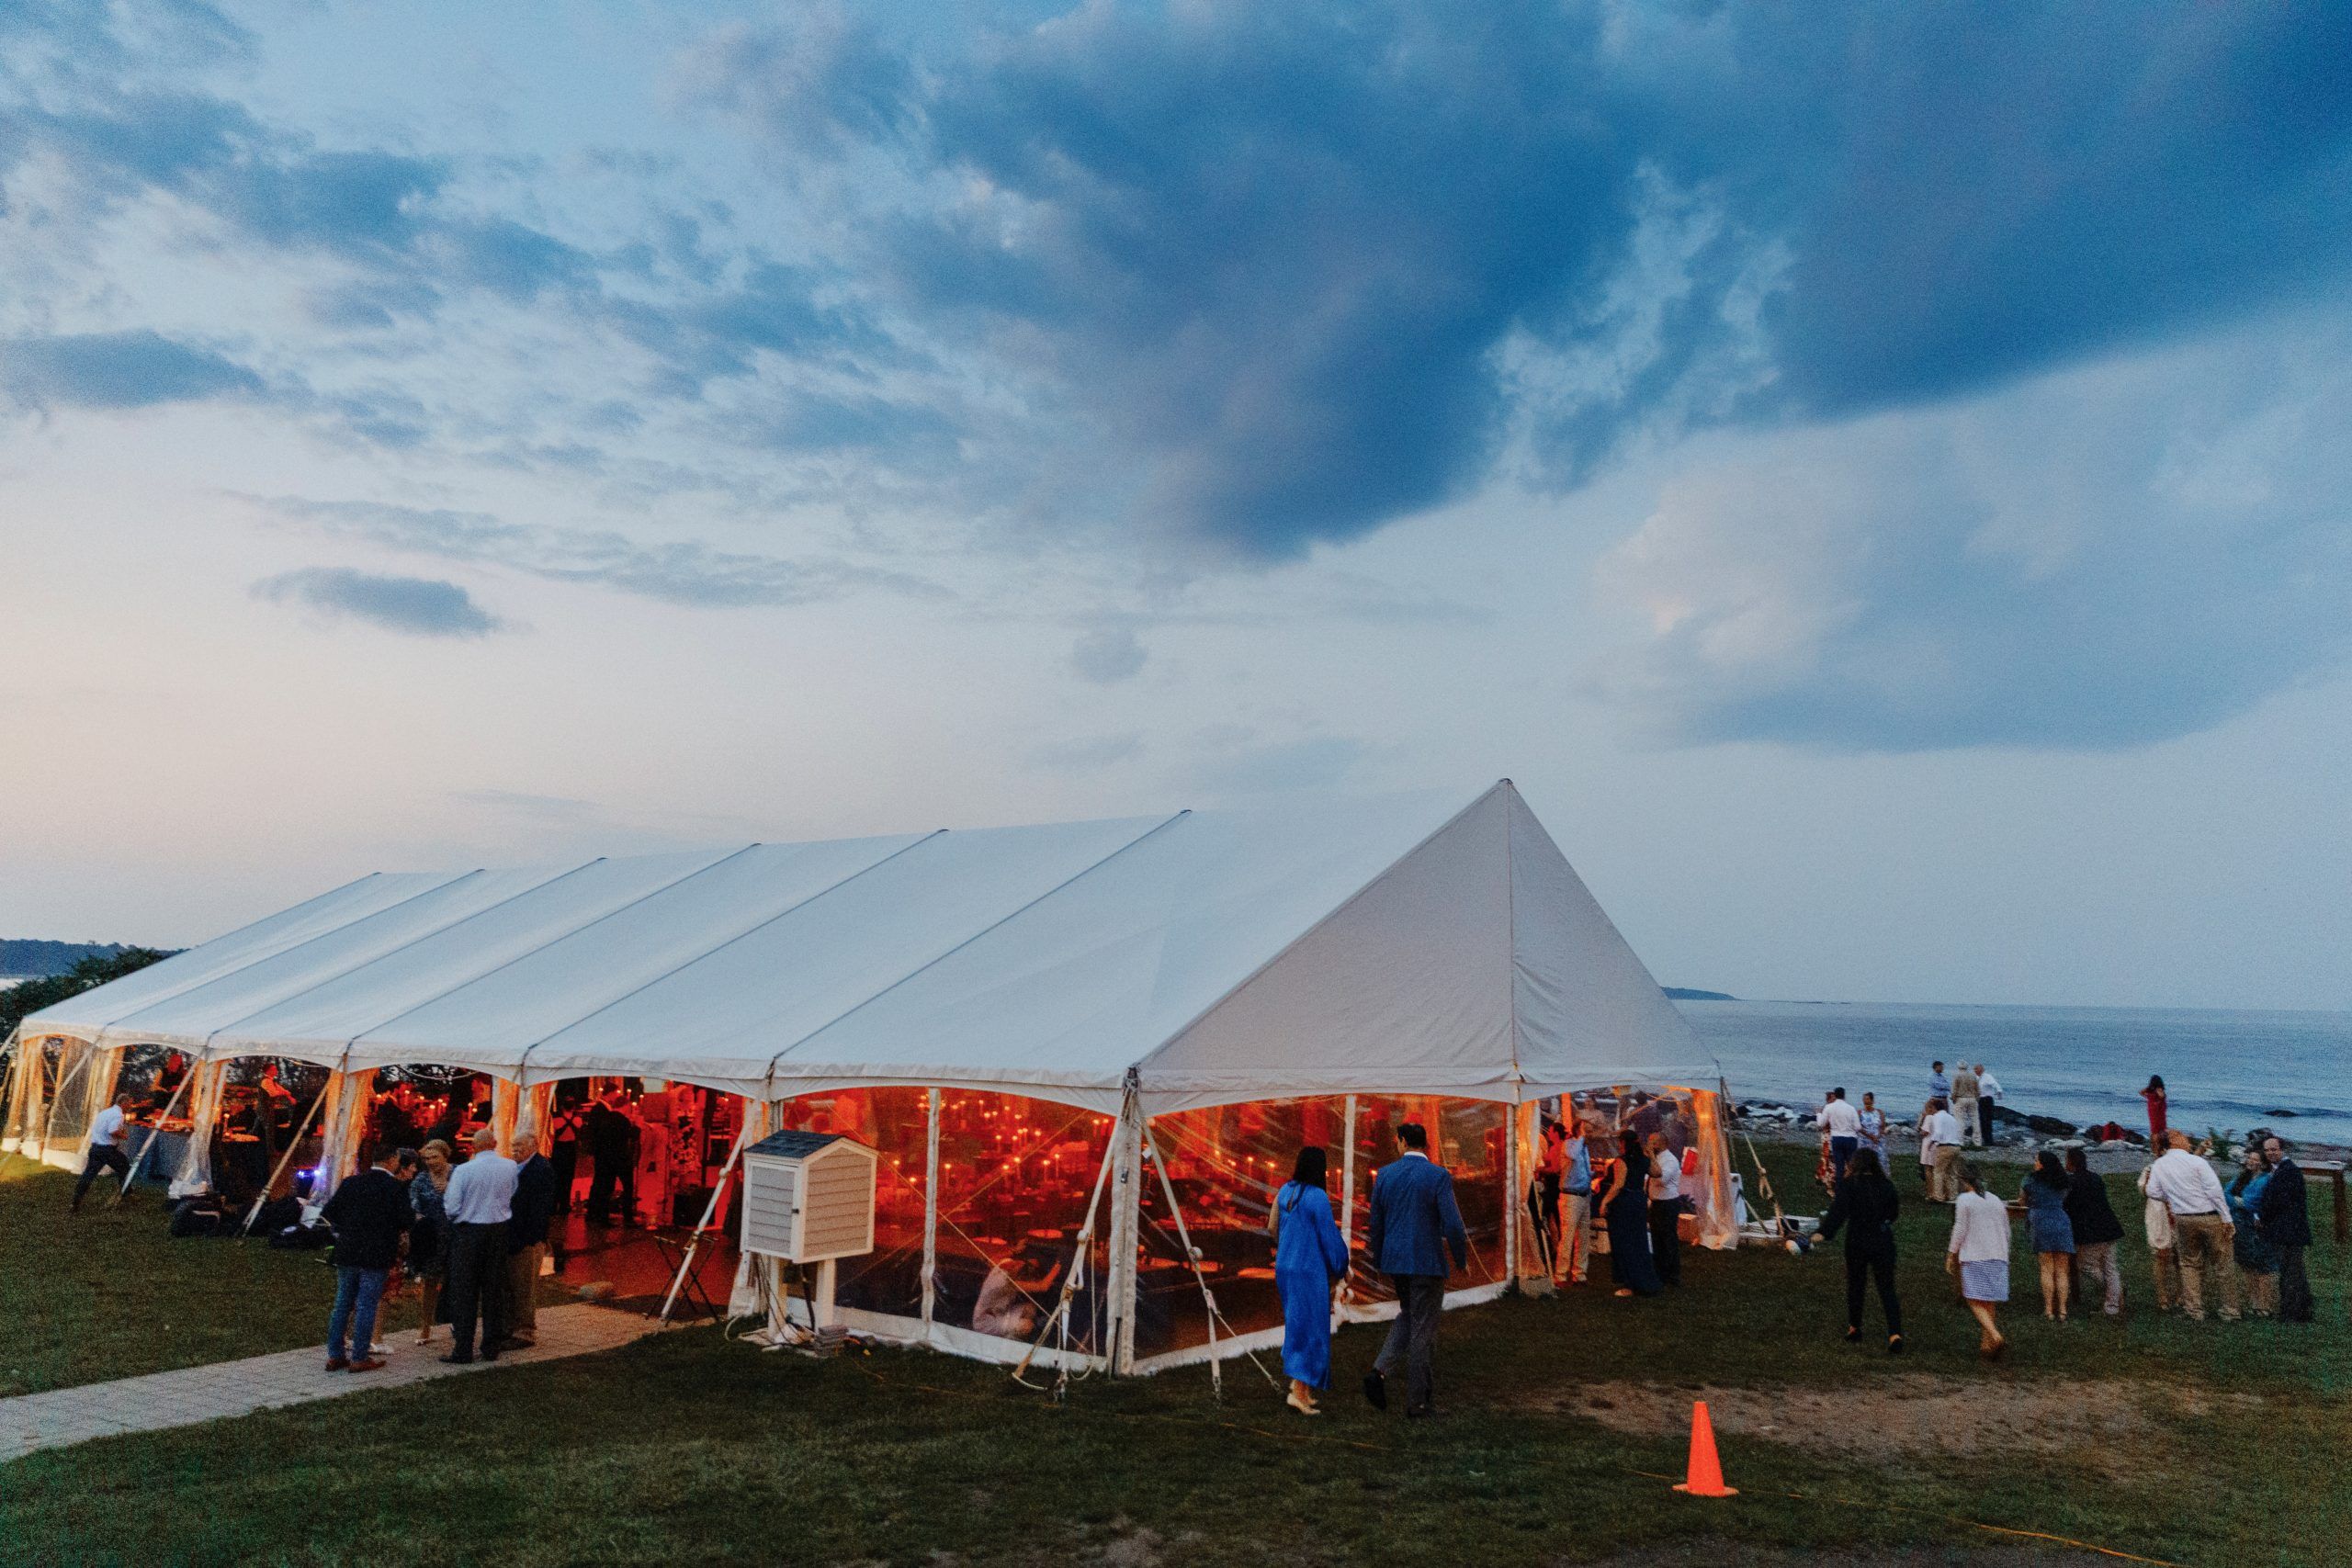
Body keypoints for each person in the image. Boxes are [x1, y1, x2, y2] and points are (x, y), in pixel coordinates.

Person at [1361, 1122, 1467, 1418]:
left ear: (1403, 1142)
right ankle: (1418, 1401)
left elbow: (1376, 1224)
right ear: (1425, 1144)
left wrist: (1379, 1260)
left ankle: (1379, 1371)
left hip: (1397, 1263)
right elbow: (1454, 1226)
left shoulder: (1385, 1175)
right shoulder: (1437, 1176)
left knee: (1409, 1315)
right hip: (1426, 1263)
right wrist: (1461, 1259)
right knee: (1423, 1329)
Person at [322, 1146, 417, 1371]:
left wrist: (350, 1225)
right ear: (392, 1160)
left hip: (348, 1249)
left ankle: (335, 1354)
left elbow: (330, 1212)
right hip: (377, 1252)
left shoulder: (350, 1183)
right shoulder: (395, 1188)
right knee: (367, 1303)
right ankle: (359, 1356)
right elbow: (406, 1219)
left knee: (342, 1302)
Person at [1271, 1146, 1349, 1416]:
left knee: (1297, 1325)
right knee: (1312, 1330)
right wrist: (1341, 1266)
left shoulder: (1284, 1192)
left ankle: (1301, 1386)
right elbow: (1329, 1238)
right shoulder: (1317, 1197)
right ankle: (1299, 1392)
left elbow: (1273, 1228)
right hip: (1308, 1269)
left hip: (1286, 1267)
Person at [438, 1128, 519, 1363]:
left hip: (469, 1233)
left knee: (466, 1292)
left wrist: (460, 1216)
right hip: (498, 1231)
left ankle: (463, 1348)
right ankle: (491, 1346)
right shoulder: (510, 1166)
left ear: (473, 1147)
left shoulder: (463, 1171)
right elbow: (512, 1192)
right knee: (493, 1291)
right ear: (494, 1143)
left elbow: (452, 1206)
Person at [2143, 1130, 2239, 1322]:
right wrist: (2227, 1217)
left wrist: (2173, 1198)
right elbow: (2214, 1191)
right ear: (2174, 1141)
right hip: (2209, 1216)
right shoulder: (2197, 1162)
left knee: (2189, 1264)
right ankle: (2230, 1310)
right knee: (2222, 1264)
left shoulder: (2159, 1165)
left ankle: (2194, 1309)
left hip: (2183, 1218)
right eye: (2184, 1138)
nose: (2188, 1141)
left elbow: (2152, 1191)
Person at [1816, 1146, 1903, 1352]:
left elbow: (1838, 1213)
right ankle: (1895, 1333)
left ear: (1855, 1164)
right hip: (1882, 1239)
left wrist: (1823, 1233)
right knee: (1887, 1288)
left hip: (1857, 1240)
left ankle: (1855, 1327)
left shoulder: (1849, 1185)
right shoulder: (1887, 1185)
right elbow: (1894, 1213)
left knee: (1856, 1284)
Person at [1946, 1161, 2011, 1359]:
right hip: (1998, 1255)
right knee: (1989, 1300)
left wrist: (1951, 1253)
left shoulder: (1965, 1200)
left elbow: (1960, 1229)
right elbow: (2006, 1229)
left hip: (1975, 1255)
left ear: (1964, 1181)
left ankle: (1994, 1335)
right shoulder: (1996, 1200)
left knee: (1972, 1297)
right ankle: (1986, 1345)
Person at [505, 1128, 556, 1349]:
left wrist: (531, 1238)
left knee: (525, 1286)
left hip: (527, 1238)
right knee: (515, 1284)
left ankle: (525, 1331)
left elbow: (540, 1209)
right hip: (517, 1236)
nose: (515, 1150)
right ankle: (513, 1326)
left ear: (533, 1147)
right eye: (513, 1146)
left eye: (519, 1147)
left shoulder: (540, 1169)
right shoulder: (520, 1167)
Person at [2062, 1147, 2126, 1316]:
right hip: (2109, 1226)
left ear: (2071, 1162)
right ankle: (2112, 1306)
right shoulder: (2096, 1178)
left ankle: (2114, 1293)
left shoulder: (2071, 1182)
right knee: (2110, 1266)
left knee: (2086, 1266)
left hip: (2090, 1231)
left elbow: (2068, 1205)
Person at [1600, 1130, 1663, 1299]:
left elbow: (1618, 1185)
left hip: (1625, 1202)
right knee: (1639, 1240)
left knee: (1625, 1242)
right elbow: (1657, 1172)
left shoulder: (1622, 1161)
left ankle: (1630, 1283)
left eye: (1620, 1142)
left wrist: (1604, 1201)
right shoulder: (1643, 1159)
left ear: (1624, 1143)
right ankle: (1644, 1280)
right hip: (1638, 1201)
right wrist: (1651, 1156)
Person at [2256, 1135, 2313, 1324]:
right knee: (2294, 1271)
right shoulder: (2278, 1170)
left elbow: (2279, 1202)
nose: (2271, 1153)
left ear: (2282, 1149)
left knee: (2290, 1274)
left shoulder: (2289, 1171)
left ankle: (2291, 1314)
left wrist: (2262, 1216)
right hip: (2287, 1229)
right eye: (2267, 1150)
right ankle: (2303, 1311)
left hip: (2291, 1230)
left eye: (2274, 1149)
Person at [2020, 1150, 2075, 1321]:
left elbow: (2022, 1200)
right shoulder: (2063, 1180)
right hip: (2061, 1220)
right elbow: (2065, 1198)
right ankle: (2063, 1310)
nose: (2034, 1163)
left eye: (2036, 1160)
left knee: (2046, 1268)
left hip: (2040, 1220)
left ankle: (2049, 1309)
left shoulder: (2030, 1180)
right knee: (2062, 1270)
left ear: (2042, 1164)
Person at [2225, 1147, 2279, 1318]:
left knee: (2261, 1265)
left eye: (2256, 1159)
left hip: (2254, 1226)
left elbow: (2252, 1202)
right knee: (2246, 1265)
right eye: (2250, 1158)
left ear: (2263, 1164)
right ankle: (2254, 1301)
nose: (2251, 1161)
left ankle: (2264, 1304)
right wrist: (2237, 1201)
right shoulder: (2242, 1178)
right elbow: (2224, 1193)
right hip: (2239, 1226)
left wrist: (2236, 1201)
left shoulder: (2265, 1180)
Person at [71, 1092, 137, 1212]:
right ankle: (126, 1195)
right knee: (125, 1167)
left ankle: (76, 1200)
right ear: (123, 1103)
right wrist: (123, 1136)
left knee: (88, 1174)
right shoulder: (118, 1115)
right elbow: (113, 1131)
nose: (130, 1107)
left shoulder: (104, 1112)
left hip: (96, 1148)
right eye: (129, 1104)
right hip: (107, 1150)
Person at [584, 1087, 634, 1226]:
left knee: (603, 1186)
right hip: (620, 1159)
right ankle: (627, 1217)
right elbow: (628, 1137)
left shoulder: (606, 1118)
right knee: (626, 1187)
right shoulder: (622, 1121)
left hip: (605, 1158)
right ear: (625, 1107)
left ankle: (599, 1215)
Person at [2136, 1161, 2181, 1314]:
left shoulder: (2180, 1166)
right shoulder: (2150, 1168)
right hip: (2159, 1214)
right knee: (2161, 1256)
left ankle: (2181, 1294)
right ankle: (2162, 1296)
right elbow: (2143, 1190)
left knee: (2180, 1257)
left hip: (2179, 1211)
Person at [1558, 1114, 1596, 1285]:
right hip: (1571, 1196)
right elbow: (1572, 1156)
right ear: (1578, 1130)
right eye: (1585, 1130)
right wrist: (1580, 1135)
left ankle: (1579, 1273)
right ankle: (1560, 1274)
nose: (1588, 1133)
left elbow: (1583, 1170)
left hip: (1584, 1195)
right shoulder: (1569, 1144)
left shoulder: (1585, 1148)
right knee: (1567, 1236)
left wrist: (1592, 1176)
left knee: (1583, 1236)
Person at [1527, 1118, 1566, 1280]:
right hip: (1549, 1184)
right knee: (1550, 1217)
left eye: (1551, 1131)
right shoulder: (1552, 1146)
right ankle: (1555, 1246)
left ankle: (1555, 1247)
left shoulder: (1558, 1147)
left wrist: (1541, 1169)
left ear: (1556, 1133)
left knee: (1550, 1216)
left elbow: (1556, 1168)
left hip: (1554, 1185)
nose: (1548, 1133)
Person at [1645, 1131, 1683, 1287]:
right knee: (1657, 1239)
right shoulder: (1657, 1159)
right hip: (1656, 1203)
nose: (1649, 1145)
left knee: (1668, 1239)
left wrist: (1652, 1158)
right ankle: (1660, 1272)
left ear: (1662, 1143)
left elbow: (1662, 1179)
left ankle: (1672, 1275)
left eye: (1652, 1142)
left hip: (1667, 1203)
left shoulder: (1670, 1160)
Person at [548, 1095, 586, 1215]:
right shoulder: (578, 1120)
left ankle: (553, 1205)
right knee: (568, 1178)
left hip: (558, 1150)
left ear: (562, 1106)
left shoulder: (556, 1120)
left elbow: (552, 1135)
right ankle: (565, 1205)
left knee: (556, 1177)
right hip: (571, 1150)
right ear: (574, 1106)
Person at [1921, 1098, 1963, 1203]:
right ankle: (1953, 1196)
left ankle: (1938, 1196)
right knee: (1952, 1172)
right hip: (1956, 1146)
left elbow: (1938, 1132)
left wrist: (1932, 1142)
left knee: (1938, 1171)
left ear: (1935, 1108)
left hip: (1945, 1146)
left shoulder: (1937, 1117)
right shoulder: (1951, 1117)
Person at [1816, 1088, 1861, 1185]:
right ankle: (1853, 1186)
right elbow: (1858, 1127)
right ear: (1844, 1096)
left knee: (1839, 1166)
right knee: (1852, 1165)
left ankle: (1840, 1189)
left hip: (1837, 1139)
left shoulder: (1829, 1107)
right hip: (1851, 1139)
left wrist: (1819, 1113)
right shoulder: (1851, 1108)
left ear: (1835, 1095)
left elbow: (1820, 1124)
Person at [1856, 1093, 1889, 1181]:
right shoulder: (1860, 1113)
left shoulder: (1879, 1112)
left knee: (1880, 1161)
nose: (1866, 1101)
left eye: (1868, 1099)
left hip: (1878, 1141)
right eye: (1864, 1099)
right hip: (1865, 1140)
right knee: (1864, 1161)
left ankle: (1880, 1180)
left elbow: (1883, 1126)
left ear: (1872, 1101)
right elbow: (1858, 1127)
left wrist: (1877, 1137)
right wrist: (1870, 1136)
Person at [1950, 1063, 1983, 1149]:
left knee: (1960, 1120)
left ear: (1958, 1067)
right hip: (1972, 1098)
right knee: (1975, 1120)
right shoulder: (1973, 1076)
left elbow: (1954, 1090)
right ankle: (1977, 1142)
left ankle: (1960, 1141)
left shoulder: (1957, 1075)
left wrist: (1953, 1100)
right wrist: (1977, 1099)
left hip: (1961, 1098)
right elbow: (1978, 1090)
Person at [1975, 1065, 2004, 1145]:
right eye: (1974, 1069)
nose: (1975, 1070)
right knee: (1981, 1120)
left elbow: (1995, 1084)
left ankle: (1989, 1140)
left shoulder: (1987, 1077)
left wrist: (1999, 1092)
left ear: (1982, 1069)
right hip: (1980, 1100)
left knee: (1988, 1119)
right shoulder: (1976, 1078)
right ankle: (1984, 1139)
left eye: (1977, 1069)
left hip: (1987, 1099)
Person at [2140, 1076, 2168, 1146]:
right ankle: (2159, 1146)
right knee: (2160, 1128)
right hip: (2158, 1112)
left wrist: (2150, 1088)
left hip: (2152, 1111)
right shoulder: (2158, 1090)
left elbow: (2141, 1092)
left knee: (2155, 1128)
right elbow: (2162, 1097)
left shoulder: (2150, 1092)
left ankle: (2156, 1145)